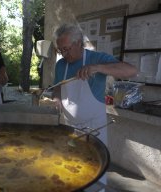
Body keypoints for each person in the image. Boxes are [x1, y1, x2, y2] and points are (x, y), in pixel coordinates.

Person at [52, 23, 137, 186]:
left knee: (93, 172)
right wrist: (56, 99)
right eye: (60, 50)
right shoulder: (60, 65)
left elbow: (131, 71)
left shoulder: (96, 58)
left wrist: (98, 68)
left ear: (78, 43)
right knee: (70, 170)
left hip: (93, 128)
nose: (63, 54)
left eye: (66, 49)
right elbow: (57, 88)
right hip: (69, 126)